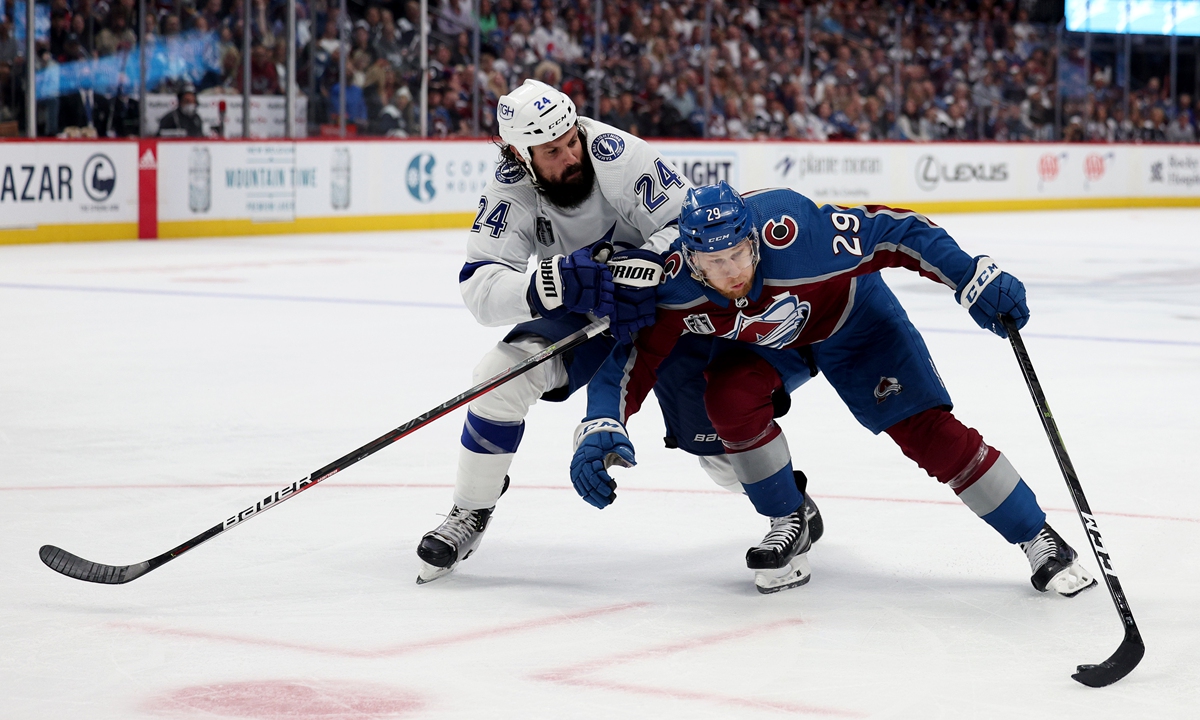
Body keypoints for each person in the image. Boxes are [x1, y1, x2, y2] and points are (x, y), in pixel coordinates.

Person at [570, 181, 1098, 597]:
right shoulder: (675, 284)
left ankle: (1036, 535)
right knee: (726, 400)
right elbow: (631, 356)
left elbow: (897, 231)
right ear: (690, 258)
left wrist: (970, 276)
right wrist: (601, 422)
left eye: (738, 254)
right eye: (714, 263)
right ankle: (789, 517)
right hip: (769, 344)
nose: (730, 271)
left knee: (924, 431)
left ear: (753, 237)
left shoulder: (799, 234)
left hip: (853, 322)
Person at [415, 81, 821, 583]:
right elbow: (480, 289)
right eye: (551, 152)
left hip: (669, 311)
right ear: (519, 156)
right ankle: (470, 511)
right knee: (498, 377)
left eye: (570, 140)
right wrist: (553, 281)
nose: (570, 155)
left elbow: (687, 221)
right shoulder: (509, 191)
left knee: (713, 446)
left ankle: (788, 501)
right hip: (588, 310)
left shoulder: (616, 153)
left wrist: (643, 264)